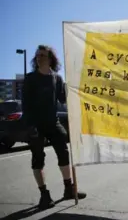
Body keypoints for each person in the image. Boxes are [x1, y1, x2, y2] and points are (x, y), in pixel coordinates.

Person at [22, 45, 86, 210]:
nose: (39, 58)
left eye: (43, 55)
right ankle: (44, 195)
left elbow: (63, 99)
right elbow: (26, 105)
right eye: (37, 55)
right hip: (35, 125)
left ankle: (68, 190)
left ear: (50, 58)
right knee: (38, 159)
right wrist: (30, 126)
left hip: (53, 122)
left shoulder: (57, 78)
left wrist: (70, 89)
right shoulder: (30, 79)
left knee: (64, 153)